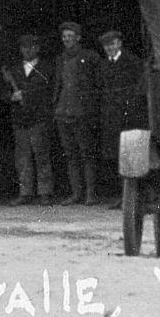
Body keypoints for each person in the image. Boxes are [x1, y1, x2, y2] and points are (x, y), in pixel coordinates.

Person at [0, 33, 56, 204]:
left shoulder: (47, 68)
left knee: (42, 156)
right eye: (24, 47)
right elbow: (3, 93)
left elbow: (50, 91)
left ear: (37, 48)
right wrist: (11, 97)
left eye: (31, 47)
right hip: (20, 120)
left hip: (39, 118)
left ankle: (45, 192)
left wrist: (26, 95)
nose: (27, 50)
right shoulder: (13, 70)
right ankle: (25, 193)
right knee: (22, 158)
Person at [93, 28, 146, 204]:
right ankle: (120, 196)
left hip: (128, 117)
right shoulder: (103, 65)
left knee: (129, 156)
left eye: (112, 44)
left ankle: (131, 196)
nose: (109, 48)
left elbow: (139, 90)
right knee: (114, 156)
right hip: (110, 117)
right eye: (106, 46)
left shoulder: (132, 62)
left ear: (120, 44)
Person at [53, 21, 101, 204]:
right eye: (64, 37)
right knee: (71, 155)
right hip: (63, 112)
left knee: (87, 154)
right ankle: (76, 193)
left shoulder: (90, 57)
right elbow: (58, 85)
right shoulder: (61, 59)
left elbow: (97, 85)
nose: (66, 40)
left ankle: (90, 194)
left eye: (70, 36)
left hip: (82, 114)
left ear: (78, 38)